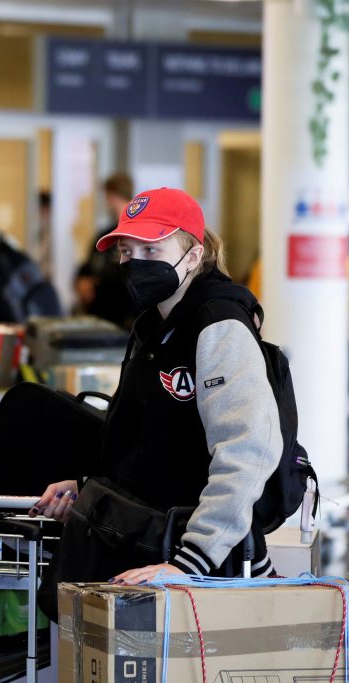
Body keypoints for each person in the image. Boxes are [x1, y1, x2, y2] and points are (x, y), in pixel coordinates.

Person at [34, 187, 282, 592]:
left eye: (152, 250)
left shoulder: (219, 325)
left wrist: (191, 560)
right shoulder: (153, 326)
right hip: (148, 541)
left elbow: (247, 449)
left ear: (194, 254)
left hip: (202, 563)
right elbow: (151, 440)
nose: (135, 264)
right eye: (127, 251)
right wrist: (90, 485)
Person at [75, 172, 138, 328]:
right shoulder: (106, 234)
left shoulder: (137, 236)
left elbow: (127, 277)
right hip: (99, 316)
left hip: (122, 318)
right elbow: (88, 264)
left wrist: (96, 285)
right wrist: (83, 280)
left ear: (112, 195)